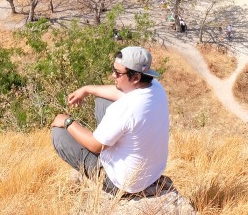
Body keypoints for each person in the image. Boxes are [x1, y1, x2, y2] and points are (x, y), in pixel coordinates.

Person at [50, 46, 170, 195]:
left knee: (58, 134)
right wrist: (87, 89)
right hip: (152, 173)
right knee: (103, 101)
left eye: (118, 73)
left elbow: (95, 146)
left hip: (124, 183)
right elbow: (116, 93)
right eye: (113, 69)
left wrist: (67, 122)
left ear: (136, 77)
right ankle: (107, 138)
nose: (113, 75)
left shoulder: (125, 108)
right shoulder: (155, 88)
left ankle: (105, 172)